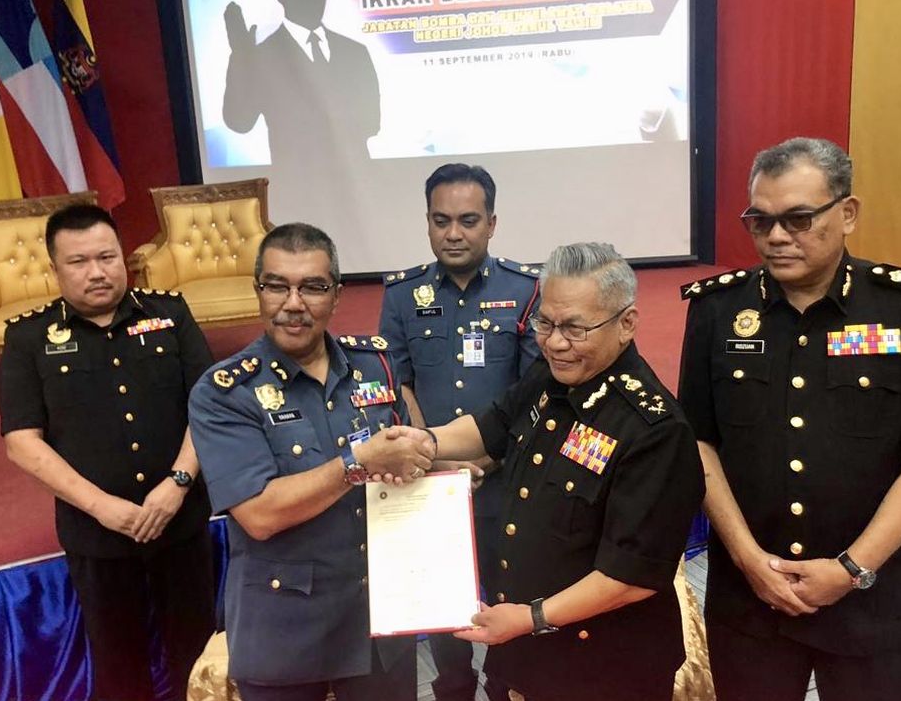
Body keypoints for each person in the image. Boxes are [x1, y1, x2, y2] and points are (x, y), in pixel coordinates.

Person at [677, 137, 901, 701]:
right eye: (759, 221)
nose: (777, 237)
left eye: (798, 218)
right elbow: (699, 442)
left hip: (872, 593)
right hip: (750, 595)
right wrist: (747, 558)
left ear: (848, 213)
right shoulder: (718, 311)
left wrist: (851, 569)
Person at [399, 242, 704, 701]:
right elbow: (493, 424)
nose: (556, 342)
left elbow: (629, 579)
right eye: (546, 322)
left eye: (575, 328)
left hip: (602, 670)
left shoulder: (654, 430)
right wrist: (423, 442)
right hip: (523, 653)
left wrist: (529, 618)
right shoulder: (556, 373)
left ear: (627, 324)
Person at [188, 223, 435, 701]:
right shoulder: (224, 391)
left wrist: (435, 471)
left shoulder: (375, 364)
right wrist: (357, 461)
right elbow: (259, 515)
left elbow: (404, 464)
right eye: (277, 285)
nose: (294, 302)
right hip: (286, 635)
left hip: (378, 624)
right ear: (258, 291)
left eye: (313, 287)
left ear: (337, 295)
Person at [0, 204, 215, 701]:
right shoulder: (29, 337)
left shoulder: (170, 314)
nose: (97, 272)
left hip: (179, 519)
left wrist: (178, 483)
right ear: (54, 269)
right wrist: (103, 508)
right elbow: (21, 442)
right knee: (118, 665)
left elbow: (209, 406)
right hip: (95, 533)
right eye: (78, 262)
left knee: (197, 653)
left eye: (107, 256)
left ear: (125, 258)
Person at [378, 163, 540, 701]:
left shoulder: (525, 291)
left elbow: (535, 391)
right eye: (441, 220)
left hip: (505, 478)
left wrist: (486, 459)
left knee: (505, 595)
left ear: (491, 224)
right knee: (442, 597)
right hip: (432, 482)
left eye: (468, 220)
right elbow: (395, 384)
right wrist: (433, 458)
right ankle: (453, 686)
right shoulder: (403, 295)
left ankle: (502, 683)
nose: (453, 233)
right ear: (427, 222)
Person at [222, 0, 380, 181]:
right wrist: (240, 57)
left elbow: (372, 122)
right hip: (295, 194)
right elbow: (239, 122)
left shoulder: (355, 52)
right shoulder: (260, 57)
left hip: (358, 193)